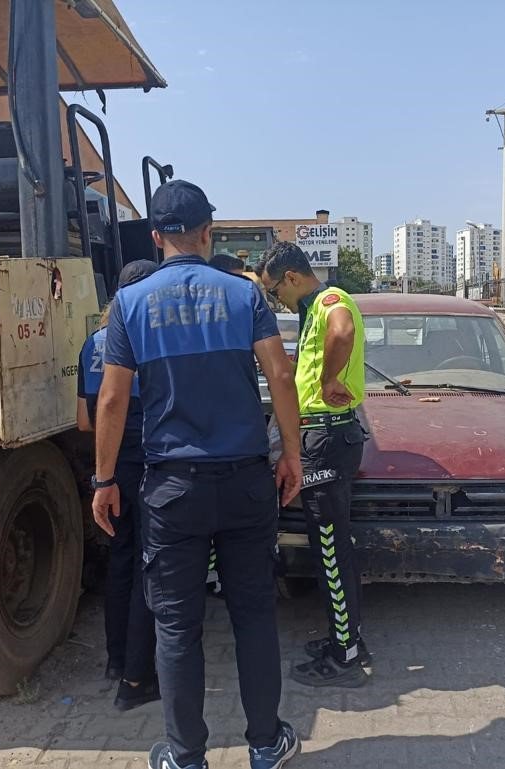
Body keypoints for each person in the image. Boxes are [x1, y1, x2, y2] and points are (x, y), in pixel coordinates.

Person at [92, 180, 303, 769]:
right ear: (209, 233)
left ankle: (185, 756)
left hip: (172, 488)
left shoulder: (130, 304)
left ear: (156, 237)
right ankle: (266, 744)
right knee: (254, 614)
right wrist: (292, 453)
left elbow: (111, 401)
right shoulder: (243, 296)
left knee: (177, 626)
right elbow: (281, 378)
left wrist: (104, 480)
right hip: (243, 482)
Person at [260, 242, 369, 688]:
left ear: (290, 278)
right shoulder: (314, 311)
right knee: (331, 547)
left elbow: (342, 333)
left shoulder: (330, 301)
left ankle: (345, 657)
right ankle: (347, 640)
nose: (275, 300)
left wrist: (327, 380)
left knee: (330, 549)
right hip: (322, 434)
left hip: (326, 437)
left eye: (273, 291)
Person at [77, 259, 160, 711]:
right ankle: (138, 671)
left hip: (110, 465)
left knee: (121, 560)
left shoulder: (92, 342)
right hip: (147, 460)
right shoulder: (145, 339)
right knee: (150, 562)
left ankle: (115, 659)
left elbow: (84, 420)